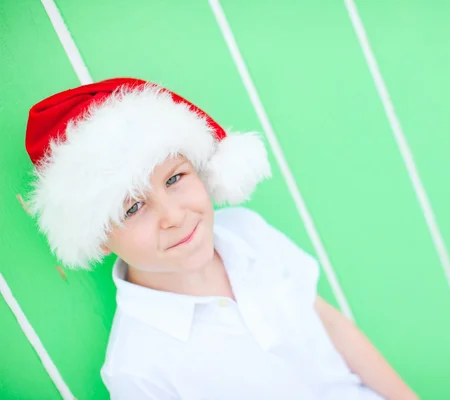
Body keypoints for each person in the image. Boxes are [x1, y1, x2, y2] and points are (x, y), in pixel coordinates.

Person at [24, 78, 418, 400]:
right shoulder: (138, 368)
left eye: (174, 179)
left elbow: (332, 327)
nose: (173, 216)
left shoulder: (248, 232)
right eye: (132, 208)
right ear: (98, 238)